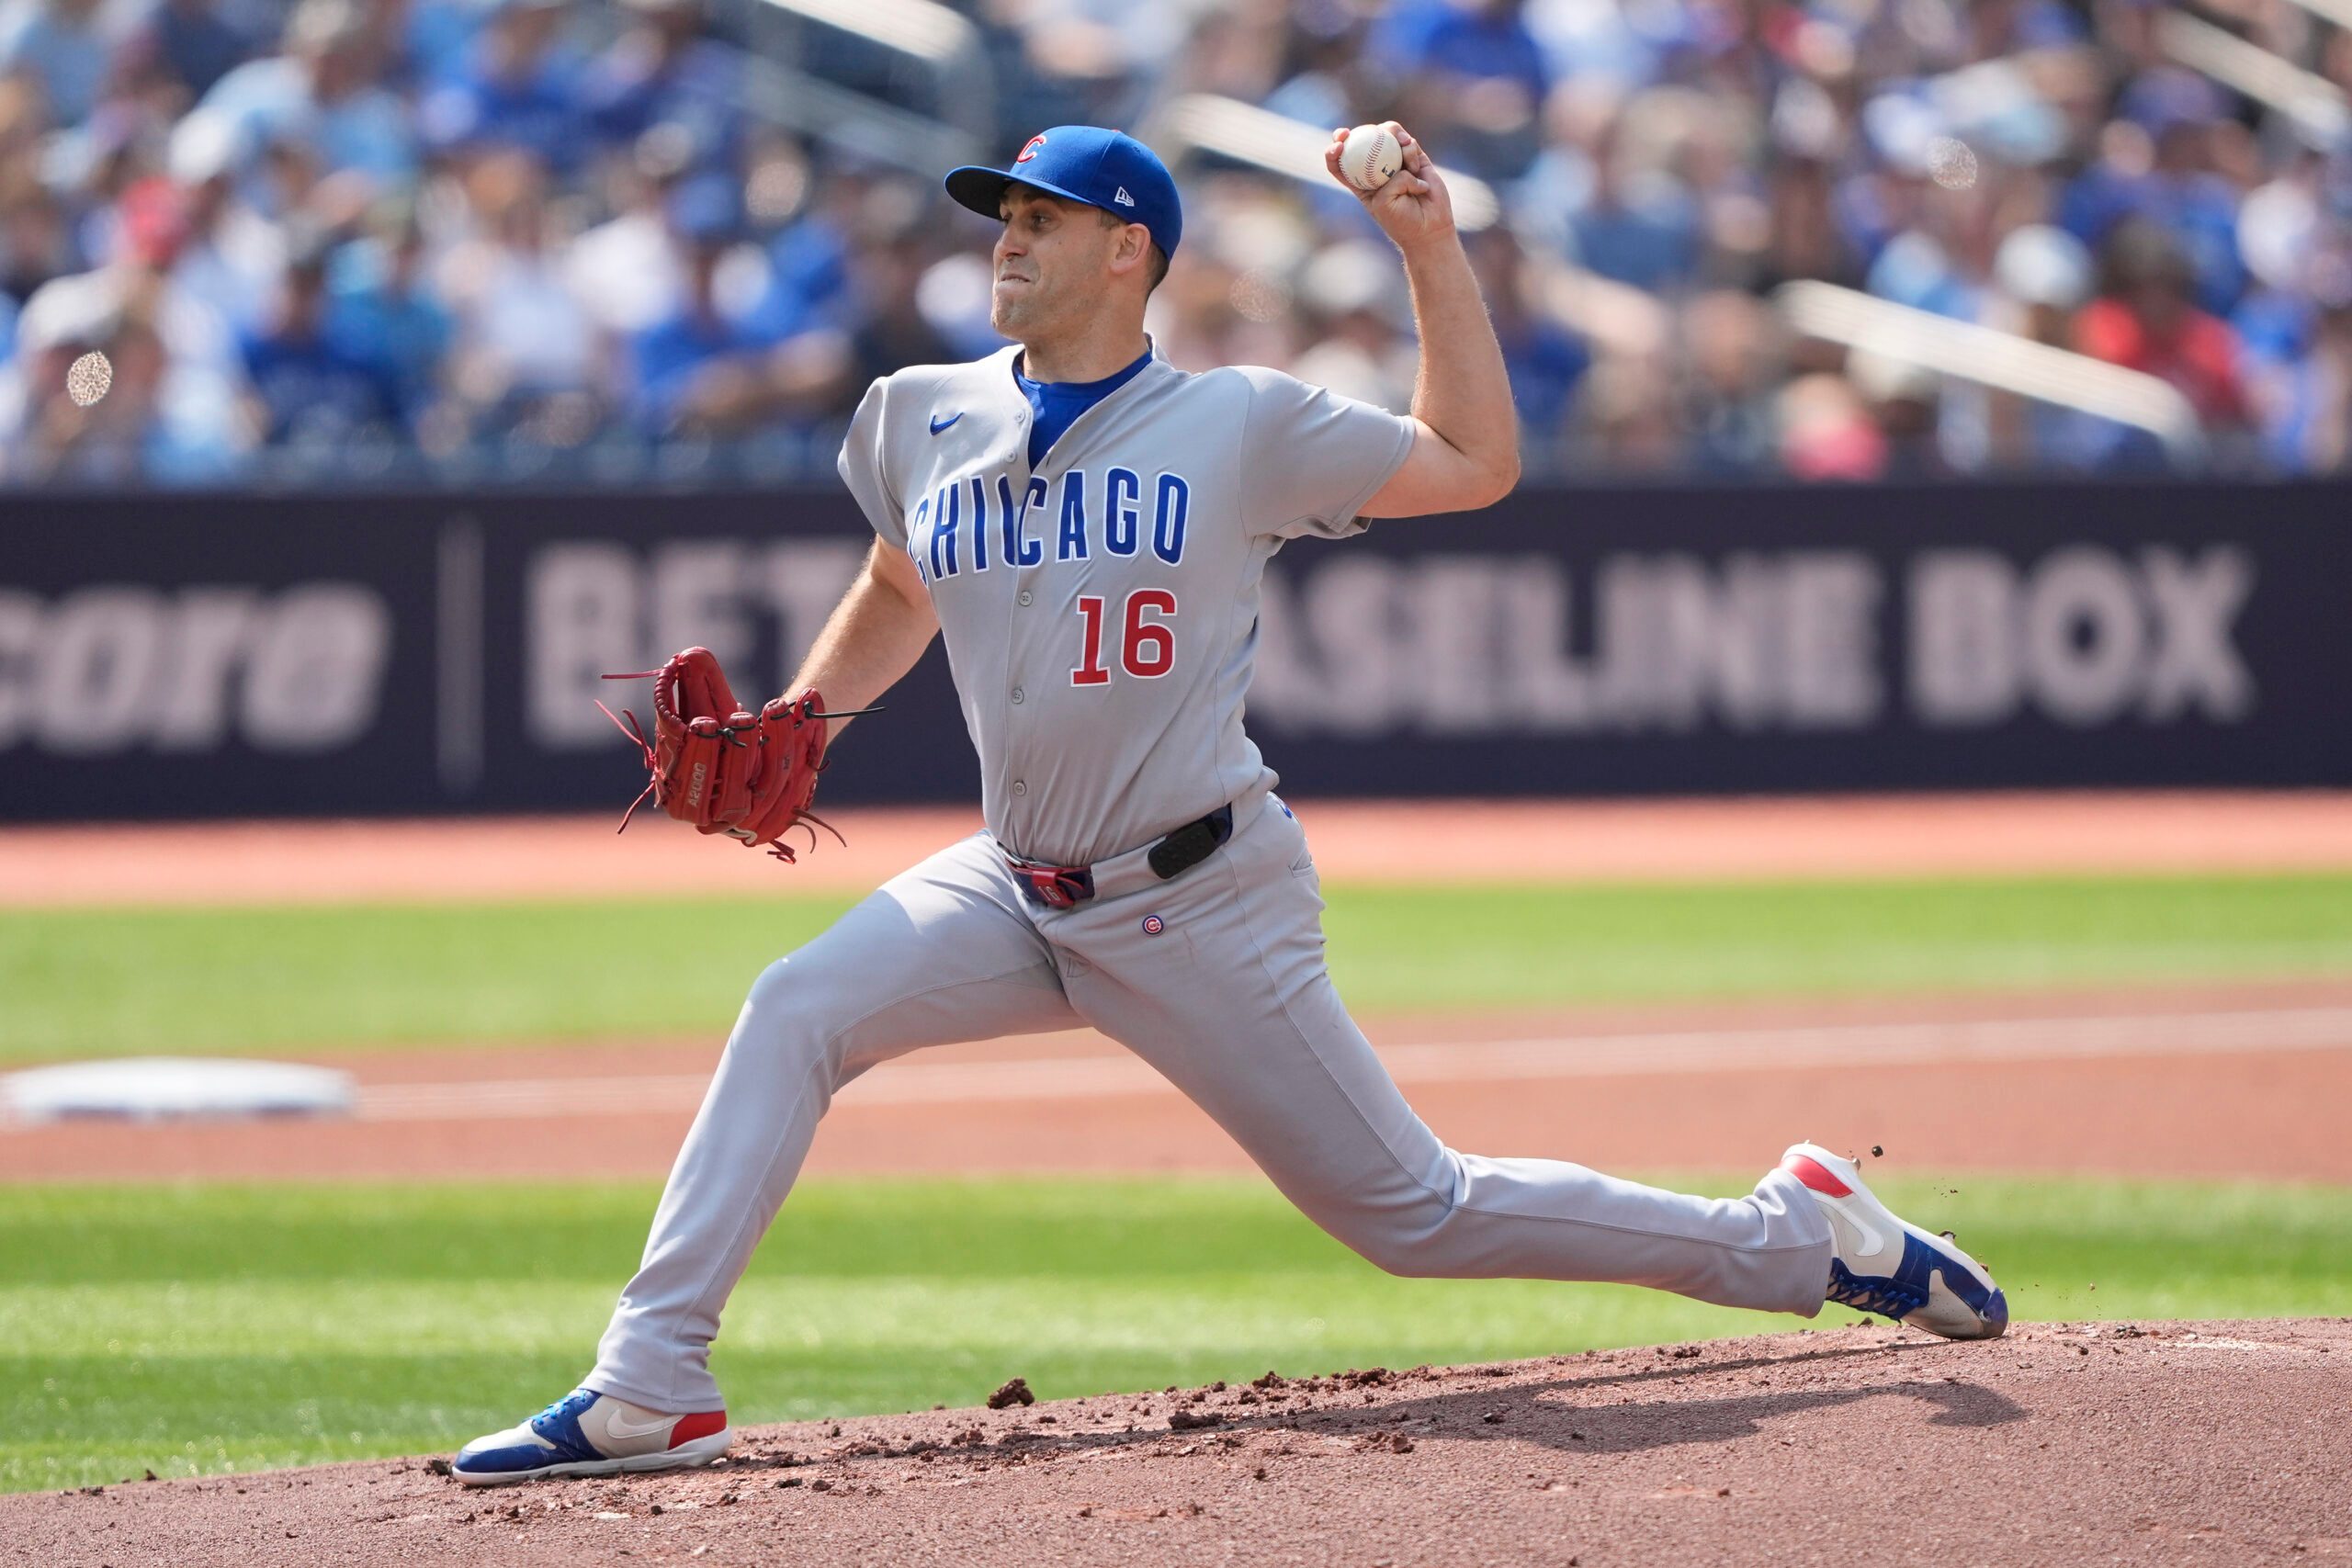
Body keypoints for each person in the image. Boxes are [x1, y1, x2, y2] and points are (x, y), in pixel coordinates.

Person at [450, 122, 2008, 1485]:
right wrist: (815, 716)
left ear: (1129, 253)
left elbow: (1476, 460)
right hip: (1013, 885)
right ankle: (652, 1380)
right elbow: (895, 578)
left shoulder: (1243, 425)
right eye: (1001, 213)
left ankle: (1808, 1237)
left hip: (1197, 897)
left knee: (1419, 1215)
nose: (1006, 236)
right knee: (794, 1009)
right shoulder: (917, 410)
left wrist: (1423, 242)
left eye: (1040, 218)